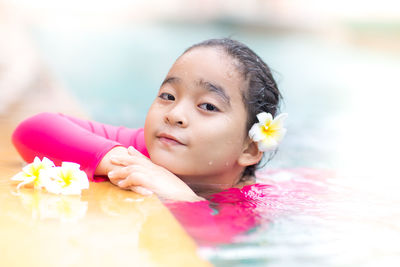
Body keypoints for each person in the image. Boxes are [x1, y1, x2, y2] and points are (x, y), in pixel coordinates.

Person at [12, 38, 286, 203]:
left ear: (249, 148)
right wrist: (120, 161)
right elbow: (33, 129)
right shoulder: (144, 148)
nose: (175, 114)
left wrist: (184, 198)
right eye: (168, 96)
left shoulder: (248, 204)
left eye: (207, 106)